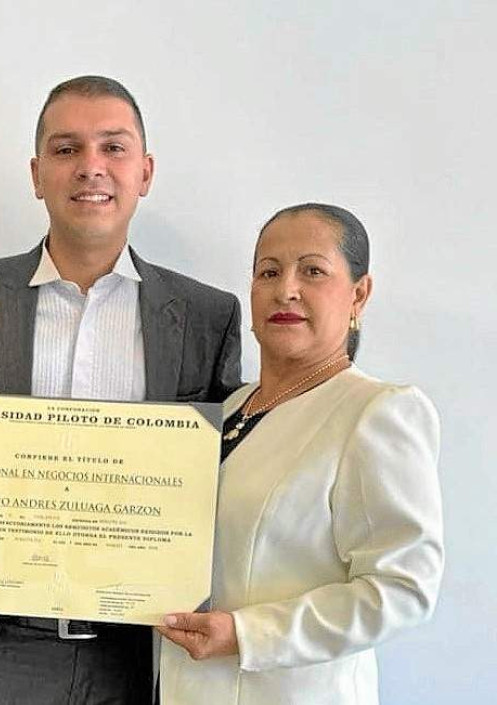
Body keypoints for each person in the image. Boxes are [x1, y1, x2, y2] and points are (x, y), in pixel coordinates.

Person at [0, 76, 242, 705]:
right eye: (67, 150)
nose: (91, 167)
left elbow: (225, 483)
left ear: (144, 172)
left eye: (113, 149)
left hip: (142, 653)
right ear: (37, 174)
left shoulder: (208, 317)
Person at [158, 204, 444, 704]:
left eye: (312, 271)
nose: (285, 289)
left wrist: (248, 634)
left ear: (359, 294)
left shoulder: (376, 412)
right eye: (269, 271)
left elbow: (404, 588)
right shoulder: (220, 413)